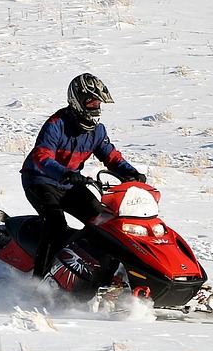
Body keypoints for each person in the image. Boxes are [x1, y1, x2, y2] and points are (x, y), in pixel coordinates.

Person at [20, 73, 146, 277]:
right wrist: (65, 173)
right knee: (55, 224)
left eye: (98, 103)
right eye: (91, 102)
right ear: (77, 101)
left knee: (105, 222)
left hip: (70, 185)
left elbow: (111, 157)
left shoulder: (97, 131)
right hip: (40, 181)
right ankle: (39, 281)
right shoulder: (56, 125)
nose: (96, 107)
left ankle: (105, 274)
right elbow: (41, 157)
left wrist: (130, 172)